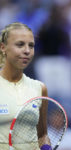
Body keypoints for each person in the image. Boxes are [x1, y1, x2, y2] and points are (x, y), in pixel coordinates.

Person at [0, 22, 51, 150]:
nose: (27, 51)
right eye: (20, 44)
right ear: (3, 47)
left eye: (31, 46)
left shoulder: (40, 88)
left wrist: (45, 146)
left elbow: (42, 134)